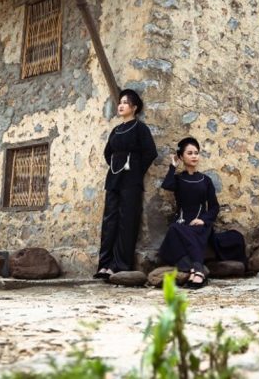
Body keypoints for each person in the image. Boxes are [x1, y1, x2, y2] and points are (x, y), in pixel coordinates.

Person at [94, 88, 158, 279]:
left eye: (125, 102)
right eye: (120, 102)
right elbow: (108, 153)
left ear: (134, 107)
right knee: (109, 221)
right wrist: (117, 166)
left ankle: (120, 265)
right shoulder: (116, 130)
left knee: (127, 221)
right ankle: (104, 265)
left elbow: (150, 152)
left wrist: (136, 171)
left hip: (131, 180)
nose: (121, 105)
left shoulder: (140, 128)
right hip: (113, 179)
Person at [159, 136, 219, 289]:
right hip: (182, 223)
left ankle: (195, 271)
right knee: (174, 230)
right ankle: (197, 269)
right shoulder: (178, 179)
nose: (194, 156)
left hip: (199, 224)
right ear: (182, 156)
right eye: (190, 153)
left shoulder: (205, 180)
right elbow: (167, 185)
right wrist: (173, 166)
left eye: (196, 153)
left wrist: (204, 220)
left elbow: (214, 207)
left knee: (192, 232)